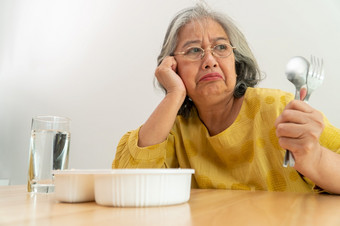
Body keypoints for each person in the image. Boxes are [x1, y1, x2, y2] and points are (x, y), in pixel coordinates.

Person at [112, 4, 340, 194]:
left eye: (221, 47)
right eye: (193, 50)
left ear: (236, 62)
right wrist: (175, 94)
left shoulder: (279, 108)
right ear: (172, 66)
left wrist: (316, 158)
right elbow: (127, 185)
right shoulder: (172, 129)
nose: (210, 60)